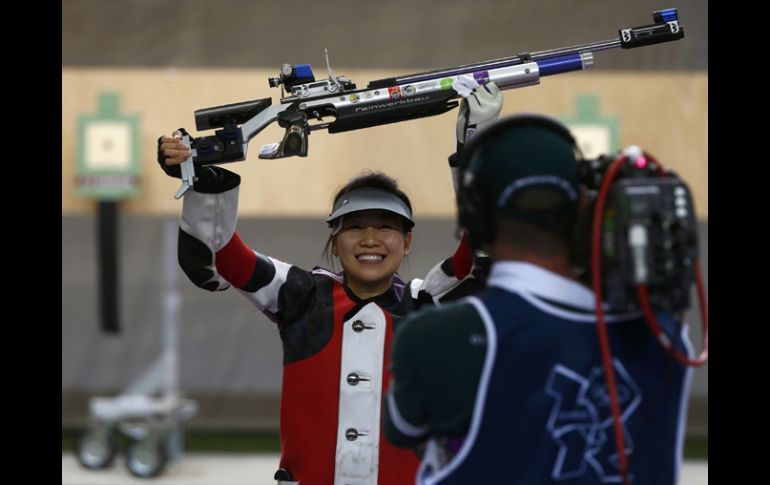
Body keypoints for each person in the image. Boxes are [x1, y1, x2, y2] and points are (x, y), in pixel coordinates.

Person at [156, 80, 502, 485]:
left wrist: (476, 148)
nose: (370, 239)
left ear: (407, 243)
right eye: (354, 227)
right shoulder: (300, 294)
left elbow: (486, 252)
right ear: (335, 243)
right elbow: (220, 256)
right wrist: (201, 173)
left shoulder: (426, 302)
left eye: (386, 227)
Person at [384, 115, 694, 485]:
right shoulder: (666, 335)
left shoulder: (436, 337)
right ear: (583, 208)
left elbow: (402, 430)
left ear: (475, 219)